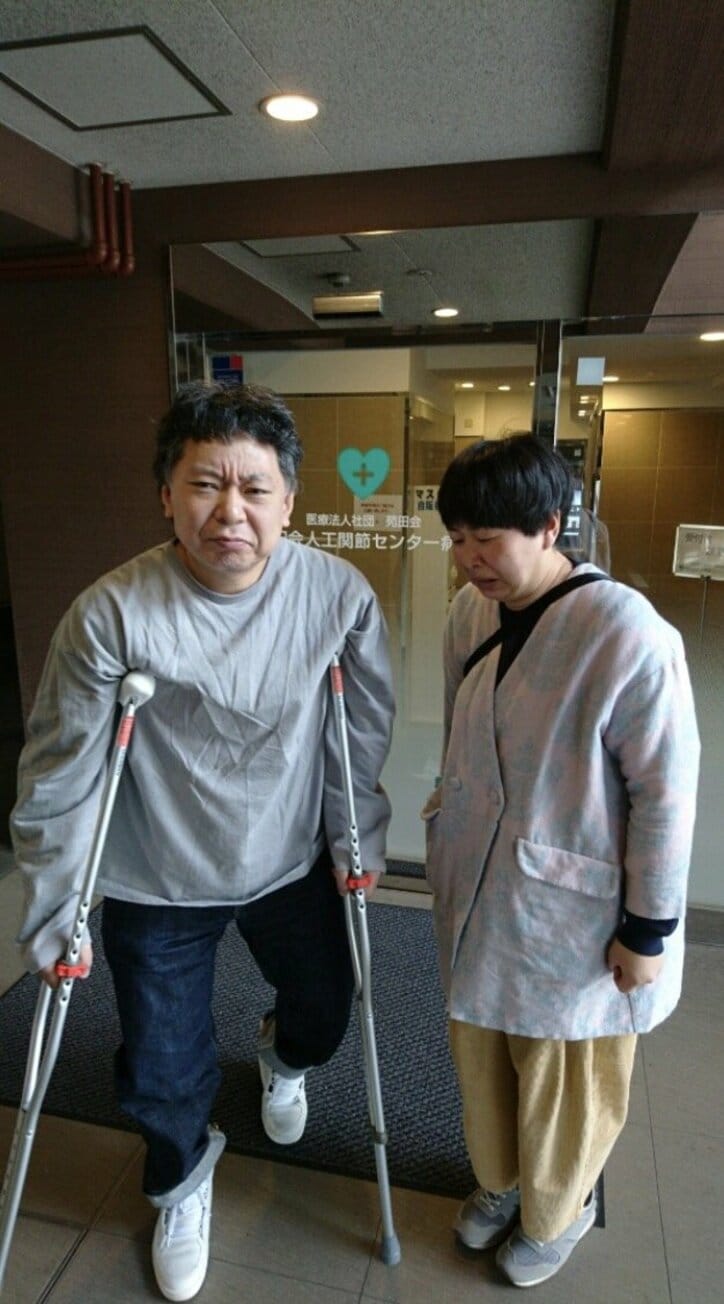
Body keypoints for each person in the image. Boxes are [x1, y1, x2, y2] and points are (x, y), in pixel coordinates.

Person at [11, 381, 394, 1302]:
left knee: (326, 1007)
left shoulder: (336, 595)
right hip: (158, 871)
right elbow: (63, 772)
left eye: (255, 489)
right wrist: (57, 909)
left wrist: (359, 839)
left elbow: (363, 729)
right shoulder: (111, 613)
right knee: (159, 1064)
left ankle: (281, 1059)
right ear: (166, 496)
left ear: (289, 501)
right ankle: (181, 1180)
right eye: (205, 485)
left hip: (288, 858)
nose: (231, 512)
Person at [422, 435, 699, 1289]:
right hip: (480, 884)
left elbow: (666, 793)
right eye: (457, 538)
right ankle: (501, 1182)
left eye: (488, 539)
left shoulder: (625, 631)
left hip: (577, 910)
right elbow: (461, 736)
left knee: (562, 1072)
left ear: (549, 526)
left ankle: (559, 1209)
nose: (470, 559)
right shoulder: (468, 614)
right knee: (482, 1051)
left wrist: (647, 930)